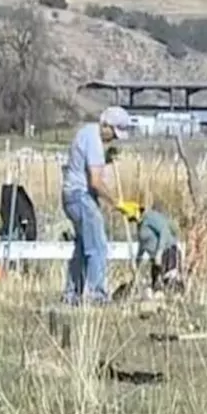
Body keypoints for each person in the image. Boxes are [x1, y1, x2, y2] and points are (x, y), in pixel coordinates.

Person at [60, 106, 137, 305]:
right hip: (81, 196)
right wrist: (118, 203)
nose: (114, 138)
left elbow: (87, 166)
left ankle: (72, 295)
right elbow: (95, 182)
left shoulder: (86, 133)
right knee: (98, 247)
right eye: (114, 133)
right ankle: (97, 296)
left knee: (82, 246)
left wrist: (106, 160)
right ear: (105, 125)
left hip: (70, 196)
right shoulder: (94, 140)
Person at [132, 202, 181, 293]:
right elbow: (143, 245)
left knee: (170, 282)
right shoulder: (140, 227)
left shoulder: (150, 217)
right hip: (154, 259)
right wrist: (137, 261)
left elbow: (164, 231)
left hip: (167, 252)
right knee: (156, 286)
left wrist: (160, 252)